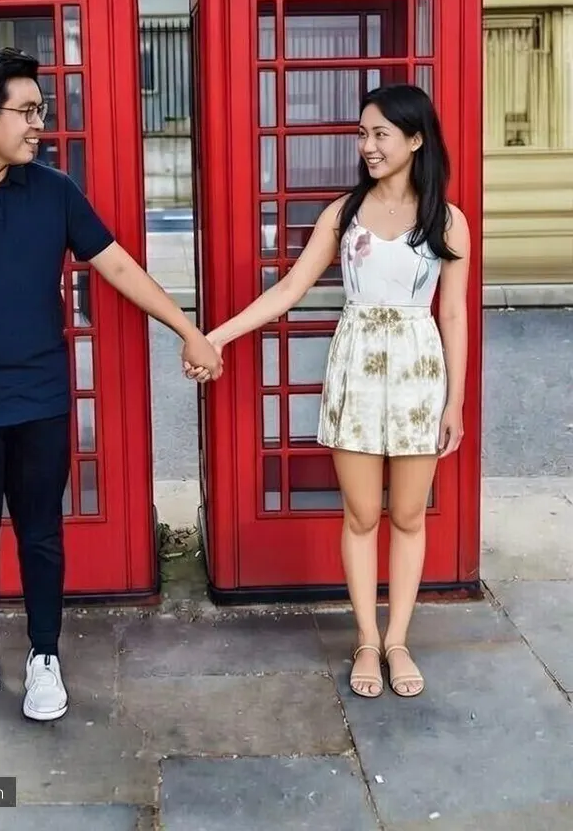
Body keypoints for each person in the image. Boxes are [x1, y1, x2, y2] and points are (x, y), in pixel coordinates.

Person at [0, 47, 220, 724]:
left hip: (40, 399)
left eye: (41, 109)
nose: (41, 122)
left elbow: (117, 266)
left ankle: (43, 656)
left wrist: (189, 328)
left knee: (41, 535)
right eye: (27, 110)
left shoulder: (55, 191)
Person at [199, 83, 469, 699]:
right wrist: (217, 336)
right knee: (361, 514)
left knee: (406, 515)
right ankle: (367, 641)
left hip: (418, 375)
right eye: (362, 134)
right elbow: (289, 289)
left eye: (380, 134)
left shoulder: (447, 219)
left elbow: (452, 314)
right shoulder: (344, 215)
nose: (367, 146)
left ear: (416, 139)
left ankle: (399, 638)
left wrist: (454, 401)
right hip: (356, 376)